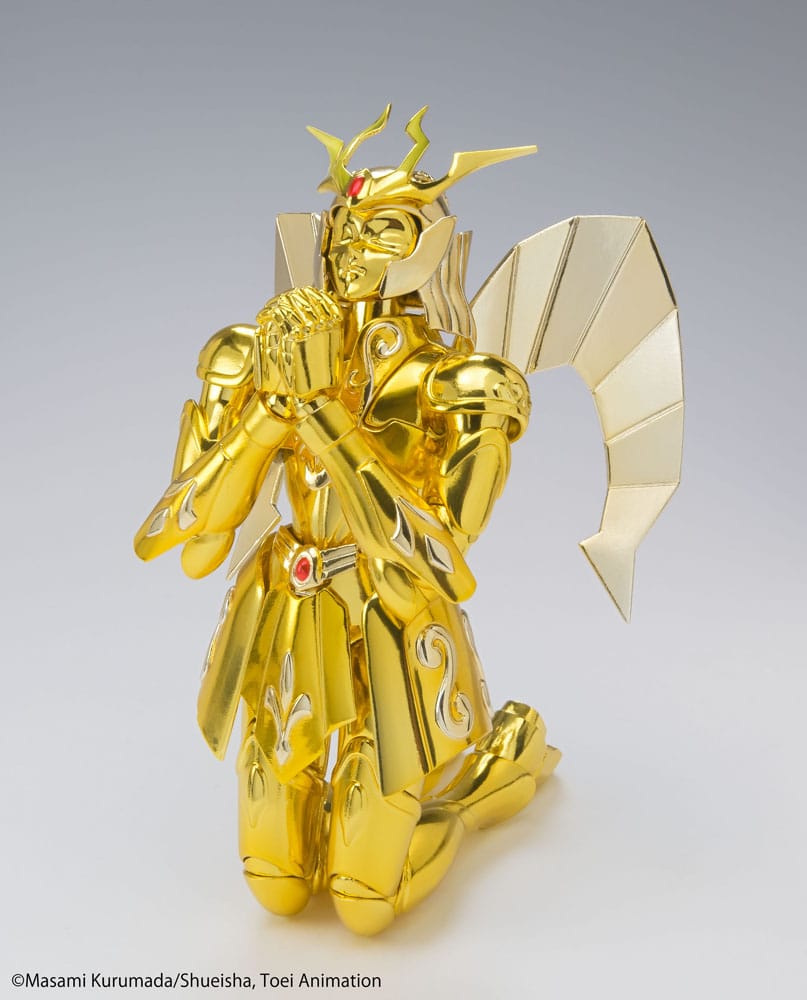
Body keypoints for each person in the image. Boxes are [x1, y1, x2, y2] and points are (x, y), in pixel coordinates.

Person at [135, 106, 564, 935]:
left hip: (394, 628)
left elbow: (438, 563)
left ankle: (473, 794)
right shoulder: (251, 352)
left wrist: (322, 415)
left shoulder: (462, 384)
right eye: (342, 229)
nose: (351, 248)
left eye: (382, 230)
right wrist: (269, 412)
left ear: (430, 246)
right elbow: (181, 541)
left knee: (367, 903)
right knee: (278, 888)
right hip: (286, 620)